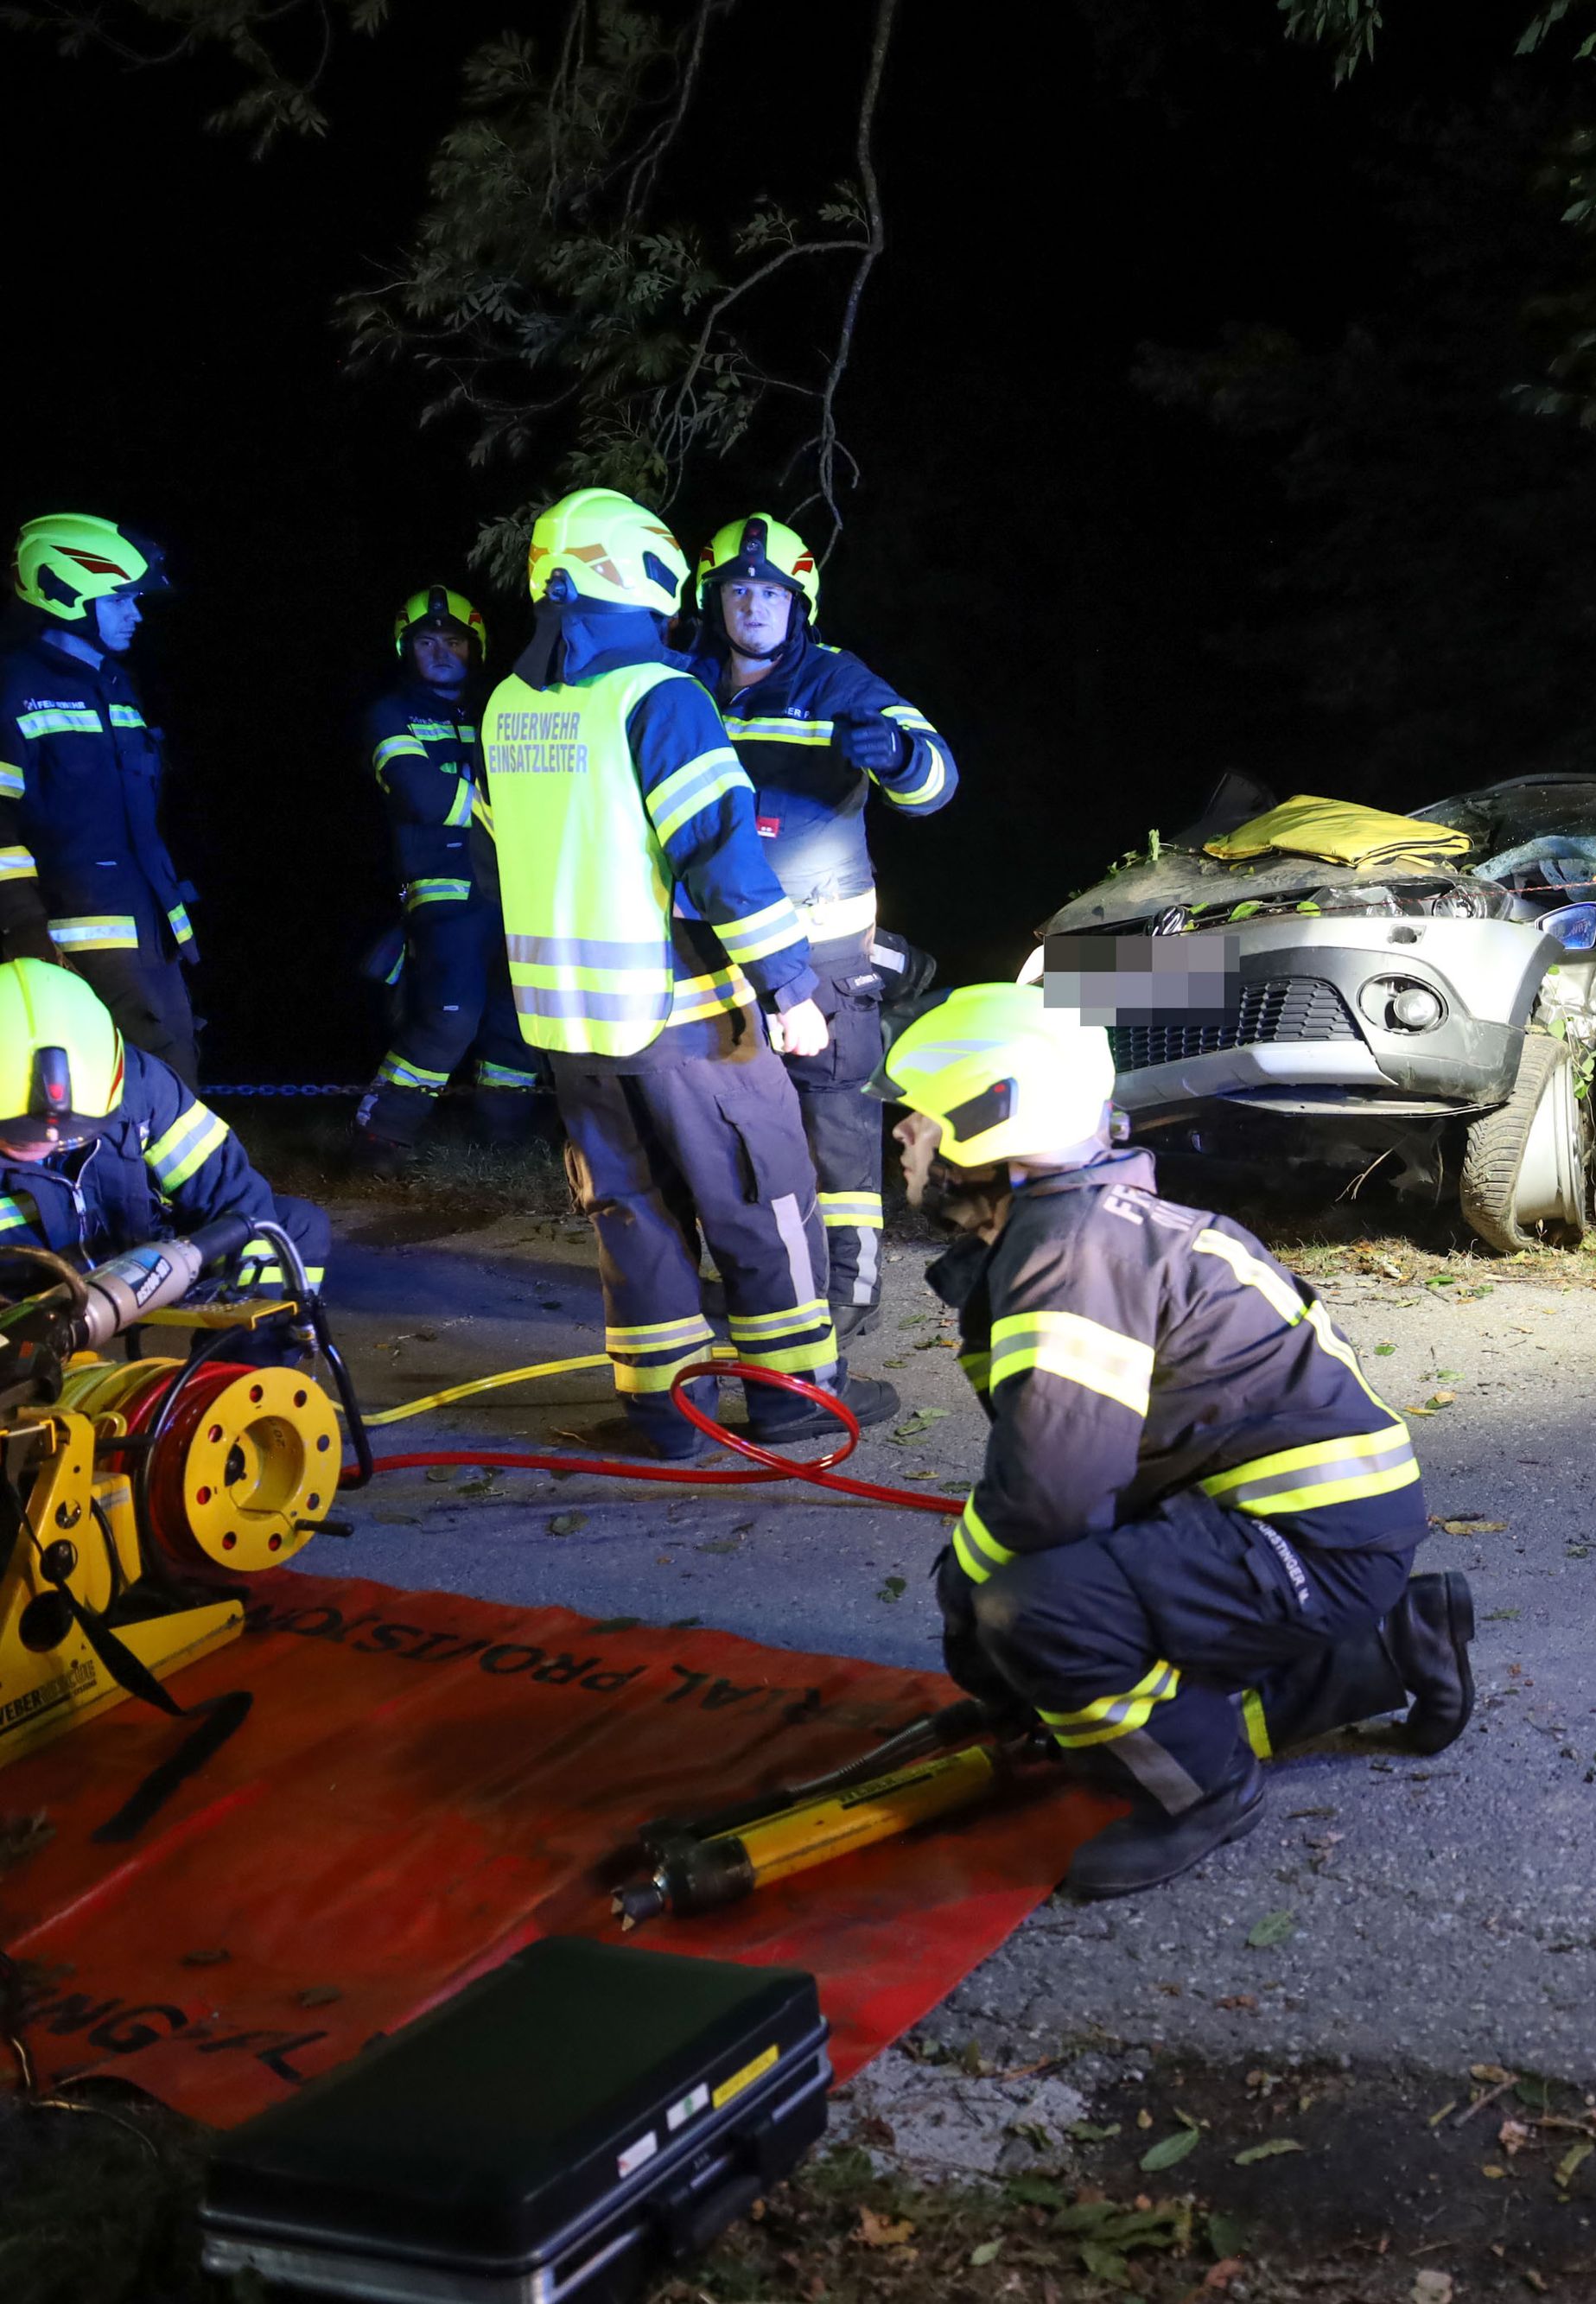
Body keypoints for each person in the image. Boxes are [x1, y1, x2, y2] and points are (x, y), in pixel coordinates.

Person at [895, 983, 1475, 1897]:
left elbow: (1053, 1491)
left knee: (1035, 1612)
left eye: (920, 1113)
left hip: (1306, 1543)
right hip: (1310, 1530)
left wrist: (968, 1591)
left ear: (990, 1119)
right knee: (1042, 1614)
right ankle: (1391, 1645)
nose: (903, 1134)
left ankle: (1203, 1791)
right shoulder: (1083, 1224)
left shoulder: (1071, 1249)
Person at [481, 487, 893, 1460]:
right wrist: (789, 987)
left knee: (631, 1212)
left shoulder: (508, 703)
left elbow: (509, 848)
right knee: (762, 1194)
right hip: (687, 1013)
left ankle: (665, 1415)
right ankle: (795, 1396)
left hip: (567, 1023)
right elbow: (718, 855)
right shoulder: (660, 696)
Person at [689, 513, 957, 1336]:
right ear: (713, 600)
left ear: (799, 603)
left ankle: (850, 1293)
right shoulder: (684, 682)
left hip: (825, 948)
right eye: (739, 591)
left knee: (836, 1124)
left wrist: (900, 757)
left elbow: (937, 783)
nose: (754, 606)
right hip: (715, 946)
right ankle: (768, 1284)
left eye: (772, 593)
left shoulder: (837, 678)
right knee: (734, 1125)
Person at [1, 515, 206, 1085]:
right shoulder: (13, 689)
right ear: (65, 594)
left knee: (172, 1076)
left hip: (152, 930)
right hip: (71, 937)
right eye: (120, 600)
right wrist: (26, 929)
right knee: (138, 1084)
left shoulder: (117, 687)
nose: (135, 614)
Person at [0, 957, 325, 1295]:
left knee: (291, 1227)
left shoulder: (142, 1088)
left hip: (145, 1273)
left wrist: (242, 1304)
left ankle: (255, 1328)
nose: (47, 1144)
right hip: (30, 1301)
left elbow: (229, 1190)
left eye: (73, 1135)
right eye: (17, 1136)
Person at [353, 586, 543, 1161]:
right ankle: (380, 1140)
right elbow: (420, 792)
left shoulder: (498, 711)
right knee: (448, 1018)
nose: (440, 652)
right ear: (405, 649)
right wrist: (511, 816)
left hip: (517, 894)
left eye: (453, 641)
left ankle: (504, 1147)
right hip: (445, 895)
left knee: (517, 1023)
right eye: (426, 642)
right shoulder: (390, 714)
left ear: (474, 647)